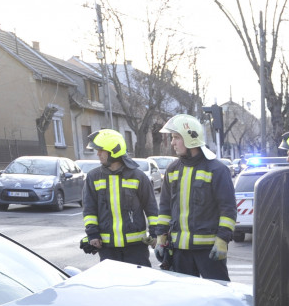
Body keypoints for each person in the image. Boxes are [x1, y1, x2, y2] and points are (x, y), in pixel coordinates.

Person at [156, 113, 237, 281]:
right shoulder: (172, 170)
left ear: (190, 138)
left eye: (176, 137)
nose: (172, 143)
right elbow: (164, 208)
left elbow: (227, 210)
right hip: (179, 251)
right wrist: (160, 237)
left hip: (209, 250)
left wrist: (222, 240)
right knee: (185, 302)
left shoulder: (217, 170)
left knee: (218, 298)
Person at [80, 129, 162, 267]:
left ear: (114, 151)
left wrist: (155, 234)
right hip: (108, 248)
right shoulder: (93, 177)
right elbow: (89, 209)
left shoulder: (139, 177)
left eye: (101, 150)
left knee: (139, 285)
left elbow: (151, 209)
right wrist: (92, 234)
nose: (98, 154)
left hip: (136, 248)